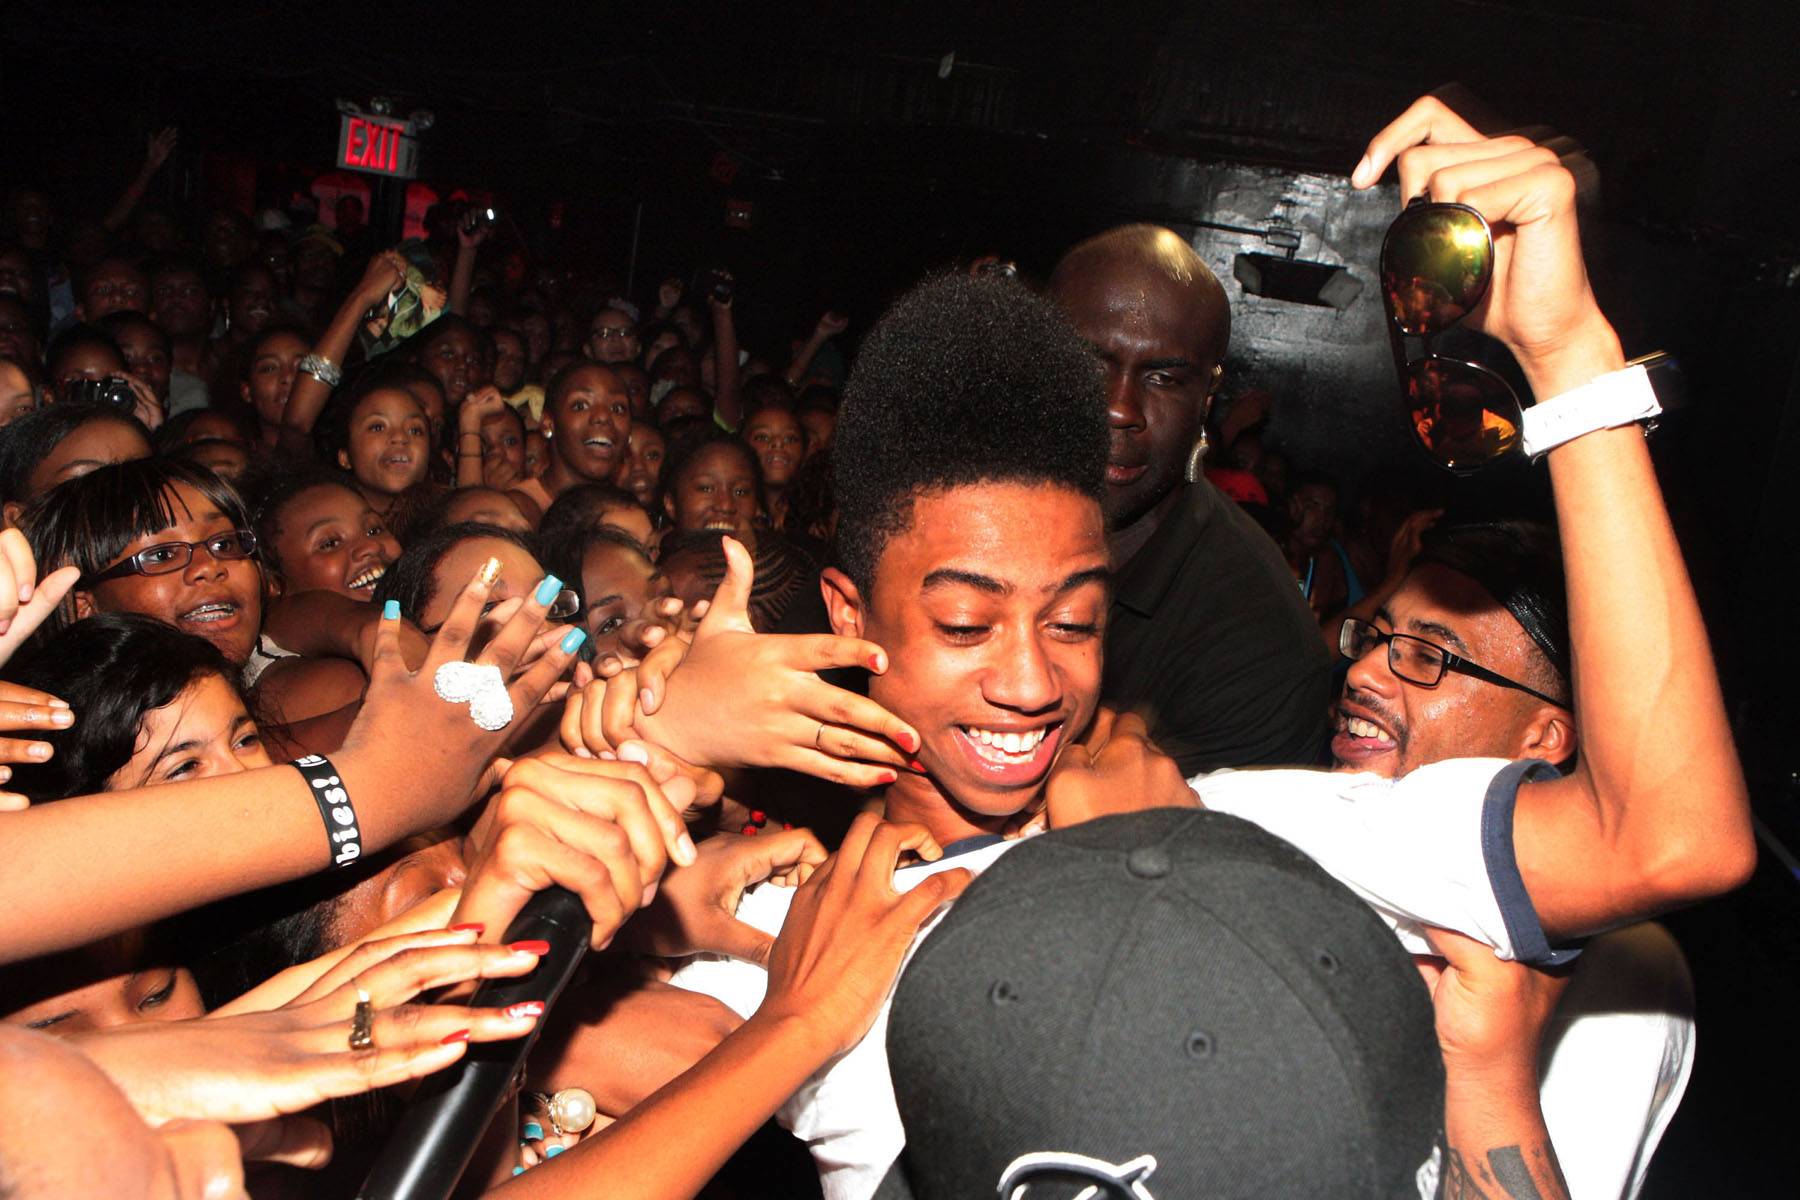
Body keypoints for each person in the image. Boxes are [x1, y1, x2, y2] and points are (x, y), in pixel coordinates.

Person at [1048, 224, 1333, 775]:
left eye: (1161, 378)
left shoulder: (1257, 643)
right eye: (1089, 365)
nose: (1119, 408)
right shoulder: (957, 526)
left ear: (1207, 397)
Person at [506, 361, 632, 527]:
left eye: (617, 408)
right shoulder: (516, 513)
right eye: (580, 405)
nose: (603, 417)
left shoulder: (630, 516)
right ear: (548, 424)